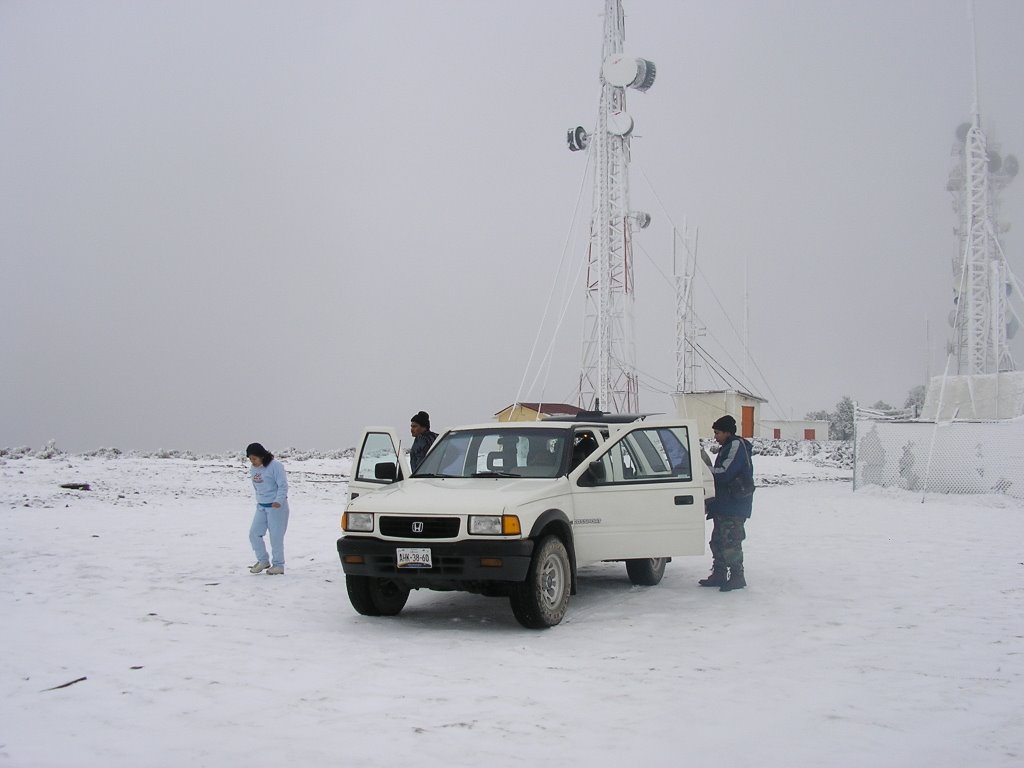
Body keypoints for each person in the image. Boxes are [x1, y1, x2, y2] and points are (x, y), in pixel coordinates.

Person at [699, 415, 753, 592]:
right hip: (725, 504)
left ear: (727, 432)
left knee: (731, 541)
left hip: (733, 504)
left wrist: (704, 470)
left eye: (717, 433)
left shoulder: (736, 446)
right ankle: (720, 573)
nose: (715, 437)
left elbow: (725, 473)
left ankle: (737, 576)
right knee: (718, 541)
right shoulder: (727, 447)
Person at [246, 442, 289, 575]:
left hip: (276, 507)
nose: (252, 462)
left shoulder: (276, 466)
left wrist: (278, 500)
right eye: (250, 459)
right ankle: (263, 560)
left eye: (254, 458)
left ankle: (278, 565)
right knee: (254, 534)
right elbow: (257, 487)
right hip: (261, 506)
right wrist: (259, 500)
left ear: (262, 456)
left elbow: (283, 485)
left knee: (276, 537)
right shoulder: (253, 469)